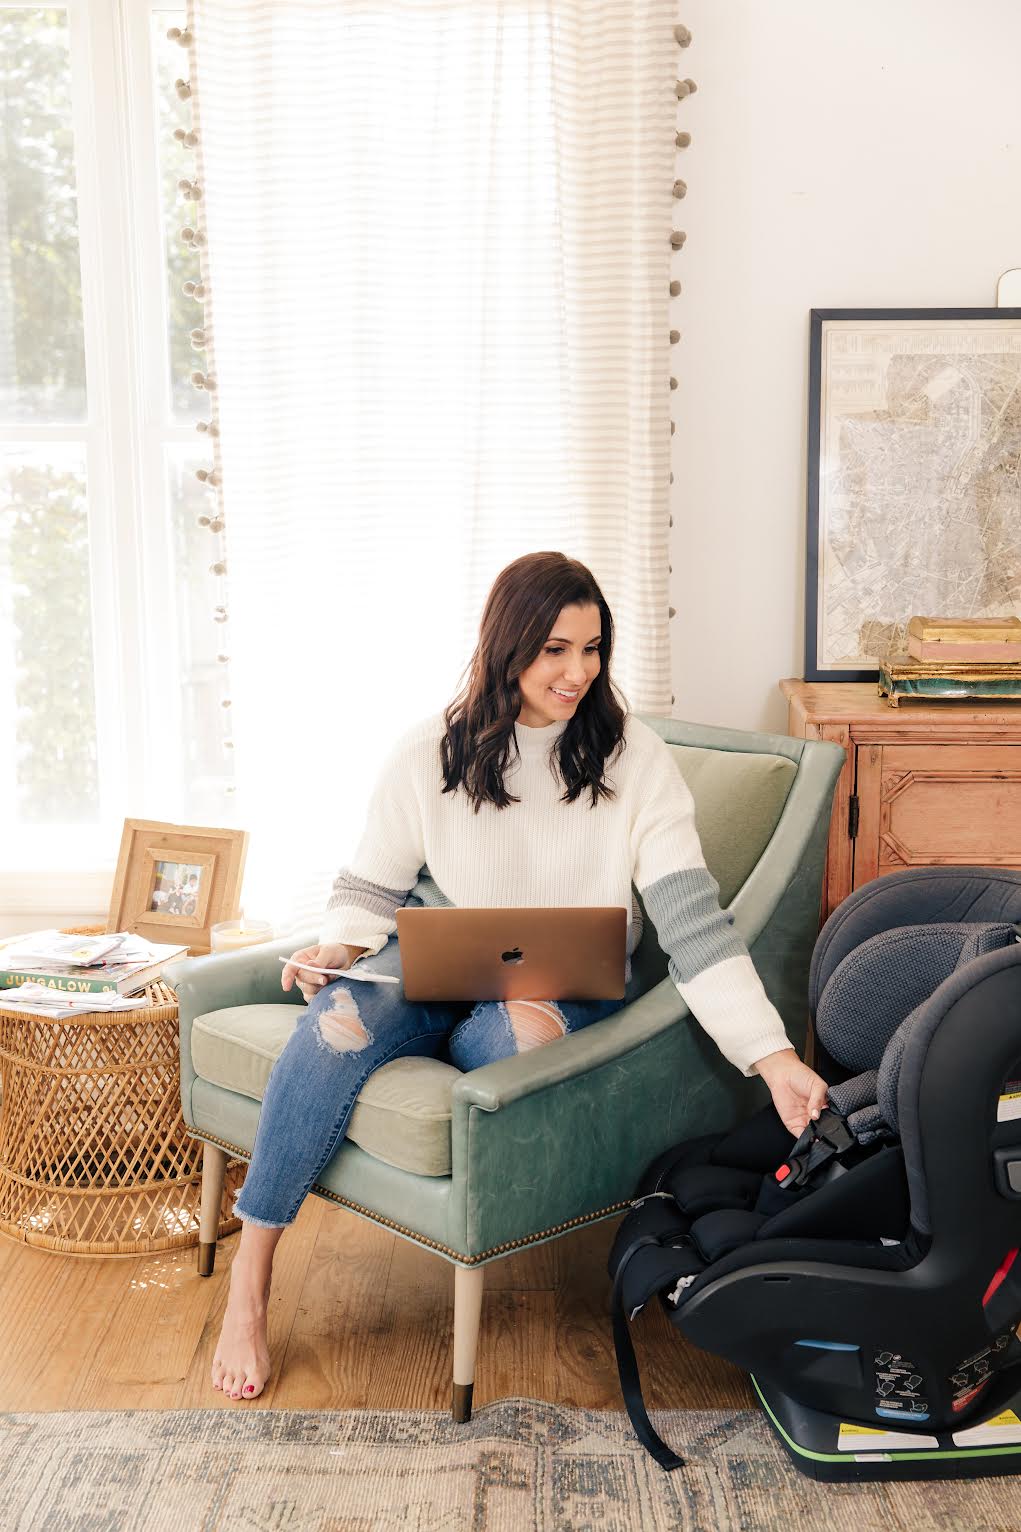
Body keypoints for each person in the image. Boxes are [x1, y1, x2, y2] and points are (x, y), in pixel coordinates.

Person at [211, 551, 829, 1402]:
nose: (578, 672)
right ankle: (249, 1286)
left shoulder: (636, 761)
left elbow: (693, 925)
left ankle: (452, 1043)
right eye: (554, 650)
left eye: (592, 648)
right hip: (435, 956)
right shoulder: (429, 750)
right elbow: (370, 887)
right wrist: (339, 949)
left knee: (513, 1041)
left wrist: (773, 1057)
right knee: (333, 1030)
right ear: (507, 648)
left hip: (559, 979)